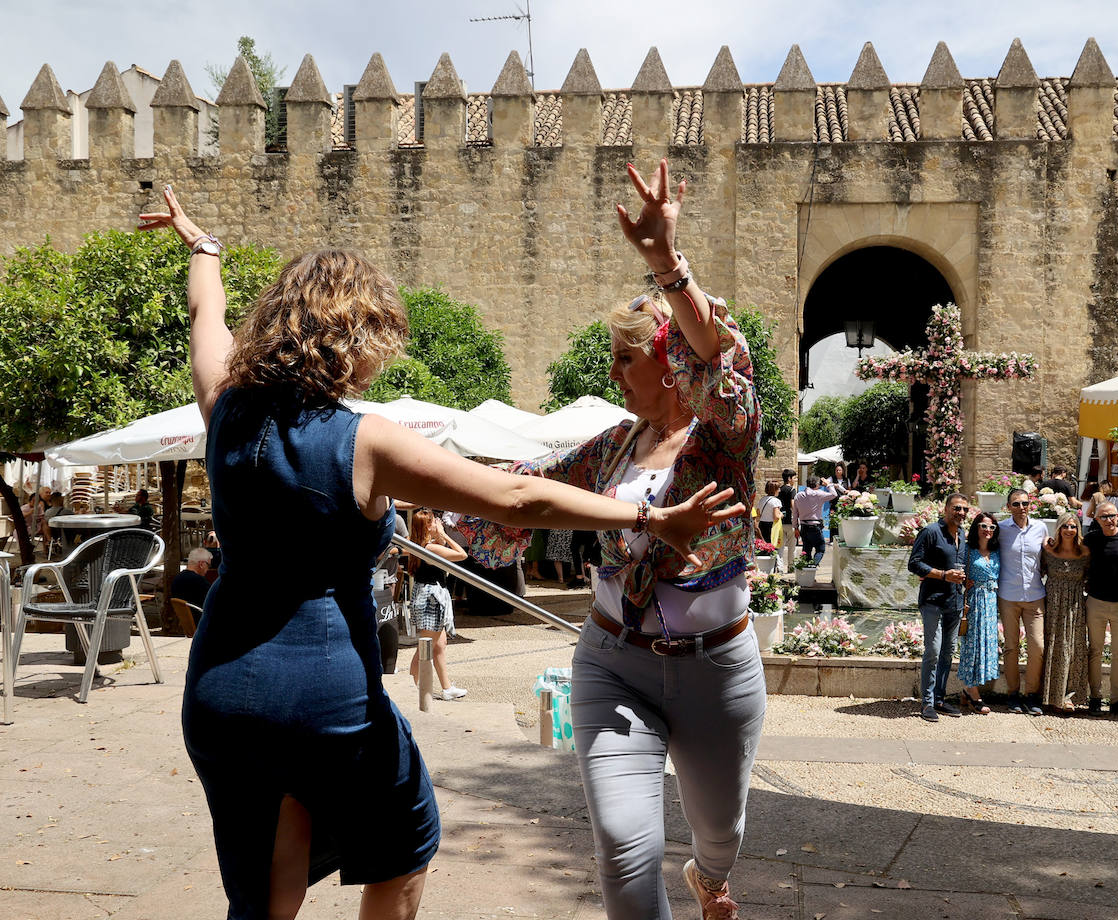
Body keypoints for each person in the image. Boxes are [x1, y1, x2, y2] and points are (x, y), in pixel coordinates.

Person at [140, 178, 739, 920]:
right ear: (354, 338)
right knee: (403, 844)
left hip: (222, 689)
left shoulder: (225, 406)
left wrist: (202, 245)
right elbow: (517, 498)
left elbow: (208, 313)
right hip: (327, 692)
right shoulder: (364, 441)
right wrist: (650, 522)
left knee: (268, 888)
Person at [454, 160, 761, 920]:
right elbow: (517, 490)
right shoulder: (608, 449)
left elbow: (721, 358)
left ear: (667, 361)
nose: (615, 372)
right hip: (611, 661)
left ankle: (711, 879)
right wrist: (394, 488)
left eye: (626, 356)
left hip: (716, 669)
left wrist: (665, 264)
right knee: (624, 850)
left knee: (720, 833)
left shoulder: (727, 436)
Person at [908, 493, 972, 723]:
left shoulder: (963, 535)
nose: (961, 513)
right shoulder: (931, 531)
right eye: (957, 508)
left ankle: (939, 699)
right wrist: (943, 575)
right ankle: (926, 702)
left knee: (947, 652)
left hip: (954, 601)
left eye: (965, 509)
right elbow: (914, 564)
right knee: (933, 651)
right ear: (946, 509)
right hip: (933, 600)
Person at [407, 509, 468, 701]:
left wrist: (440, 536)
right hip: (430, 596)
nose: (438, 523)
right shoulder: (429, 548)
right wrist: (444, 535)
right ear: (427, 526)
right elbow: (461, 555)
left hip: (431, 593)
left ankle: (446, 687)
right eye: (434, 521)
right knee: (425, 646)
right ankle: (410, 686)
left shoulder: (424, 544)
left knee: (439, 644)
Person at [997, 489, 1048, 715]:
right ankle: (1013, 693)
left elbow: (1047, 556)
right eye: (1016, 504)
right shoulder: (1001, 529)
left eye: (1025, 503)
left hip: (1035, 595)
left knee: (1037, 647)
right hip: (1008, 595)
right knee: (1011, 647)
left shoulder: (1040, 528)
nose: (1021, 507)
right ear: (1008, 507)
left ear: (1031, 505)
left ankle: (1032, 693)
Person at [1083, 502, 1118, 716]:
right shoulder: (1091, 539)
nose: (1108, 520)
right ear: (1096, 519)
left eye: (1111, 516)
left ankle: (1116, 699)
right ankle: (1095, 697)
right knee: (1094, 651)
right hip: (1096, 601)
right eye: (1103, 517)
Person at [1041, 511, 1090, 712]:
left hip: (1075, 606)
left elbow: (1090, 577)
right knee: (1054, 646)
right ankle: (1050, 696)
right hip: (1053, 604)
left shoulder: (1085, 552)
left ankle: (1070, 696)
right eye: (1065, 526)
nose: (1069, 530)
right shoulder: (1047, 550)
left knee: (1075, 648)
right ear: (1059, 528)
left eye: (1073, 526)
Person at [958, 512, 1001, 715]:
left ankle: (968, 691)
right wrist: (963, 581)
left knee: (986, 644)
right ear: (976, 528)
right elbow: (955, 569)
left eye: (992, 527)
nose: (988, 531)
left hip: (991, 602)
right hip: (974, 601)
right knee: (973, 644)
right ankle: (972, 691)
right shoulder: (967, 550)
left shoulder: (997, 551)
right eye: (984, 526)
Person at [794, 476, 837, 564]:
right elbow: (834, 494)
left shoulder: (798, 495)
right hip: (815, 526)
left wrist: (796, 527)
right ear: (817, 484)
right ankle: (813, 565)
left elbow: (795, 513)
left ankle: (806, 571)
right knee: (820, 549)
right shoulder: (819, 494)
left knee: (806, 549)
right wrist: (828, 484)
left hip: (804, 526)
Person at [171, 547, 214, 611]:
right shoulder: (200, 582)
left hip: (186, 619)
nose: (208, 569)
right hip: (202, 618)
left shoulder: (177, 578)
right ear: (201, 564)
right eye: (208, 565)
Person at [755, 479, 782, 545]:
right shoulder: (776, 501)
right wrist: (781, 514)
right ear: (774, 490)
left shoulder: (762, 500)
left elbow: (758, 515)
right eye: (778, 489)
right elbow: (776, 517)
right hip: (771, 526)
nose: (779, 490)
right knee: (772, 547)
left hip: (762, 524)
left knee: (764, 546)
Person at [778, 468, 796, 550]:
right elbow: (792, 505)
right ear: (789, 478)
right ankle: (791, 563)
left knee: (780, 547)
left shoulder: (779, 490)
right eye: (794, 478)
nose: (795, 480)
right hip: (789, 520)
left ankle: (779, 563)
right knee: (792, 547)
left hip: (780, 520)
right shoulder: (792, 490)